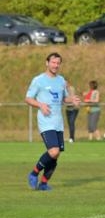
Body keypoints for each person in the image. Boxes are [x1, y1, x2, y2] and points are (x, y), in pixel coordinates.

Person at [25, 52, 80, 191]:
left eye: (58, 63)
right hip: (45, 121)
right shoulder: (38, 80)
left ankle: (43, 183)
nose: (55, 65)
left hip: (58, 122)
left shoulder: (61, 80)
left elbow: (63, 99)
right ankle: (34, 173)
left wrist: (71, 100)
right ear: (47, 63)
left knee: (56, 155)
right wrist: (40, 105)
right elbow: (28, 98)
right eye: (53, 62)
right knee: (54, 151)